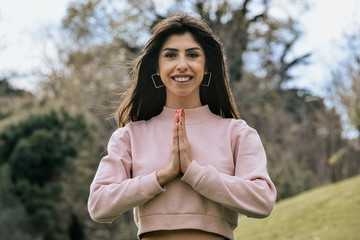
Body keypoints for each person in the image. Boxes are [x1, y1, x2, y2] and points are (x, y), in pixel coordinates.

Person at [88, 12, 277, 240]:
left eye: (192, 55)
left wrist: (194, 172)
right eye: (170, 55)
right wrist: (162, 176)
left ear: (207, 66)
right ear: (156, 68)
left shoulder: (236, 133)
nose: (182, 64)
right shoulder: (130, 136)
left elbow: (262, 200)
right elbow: (99, 205)